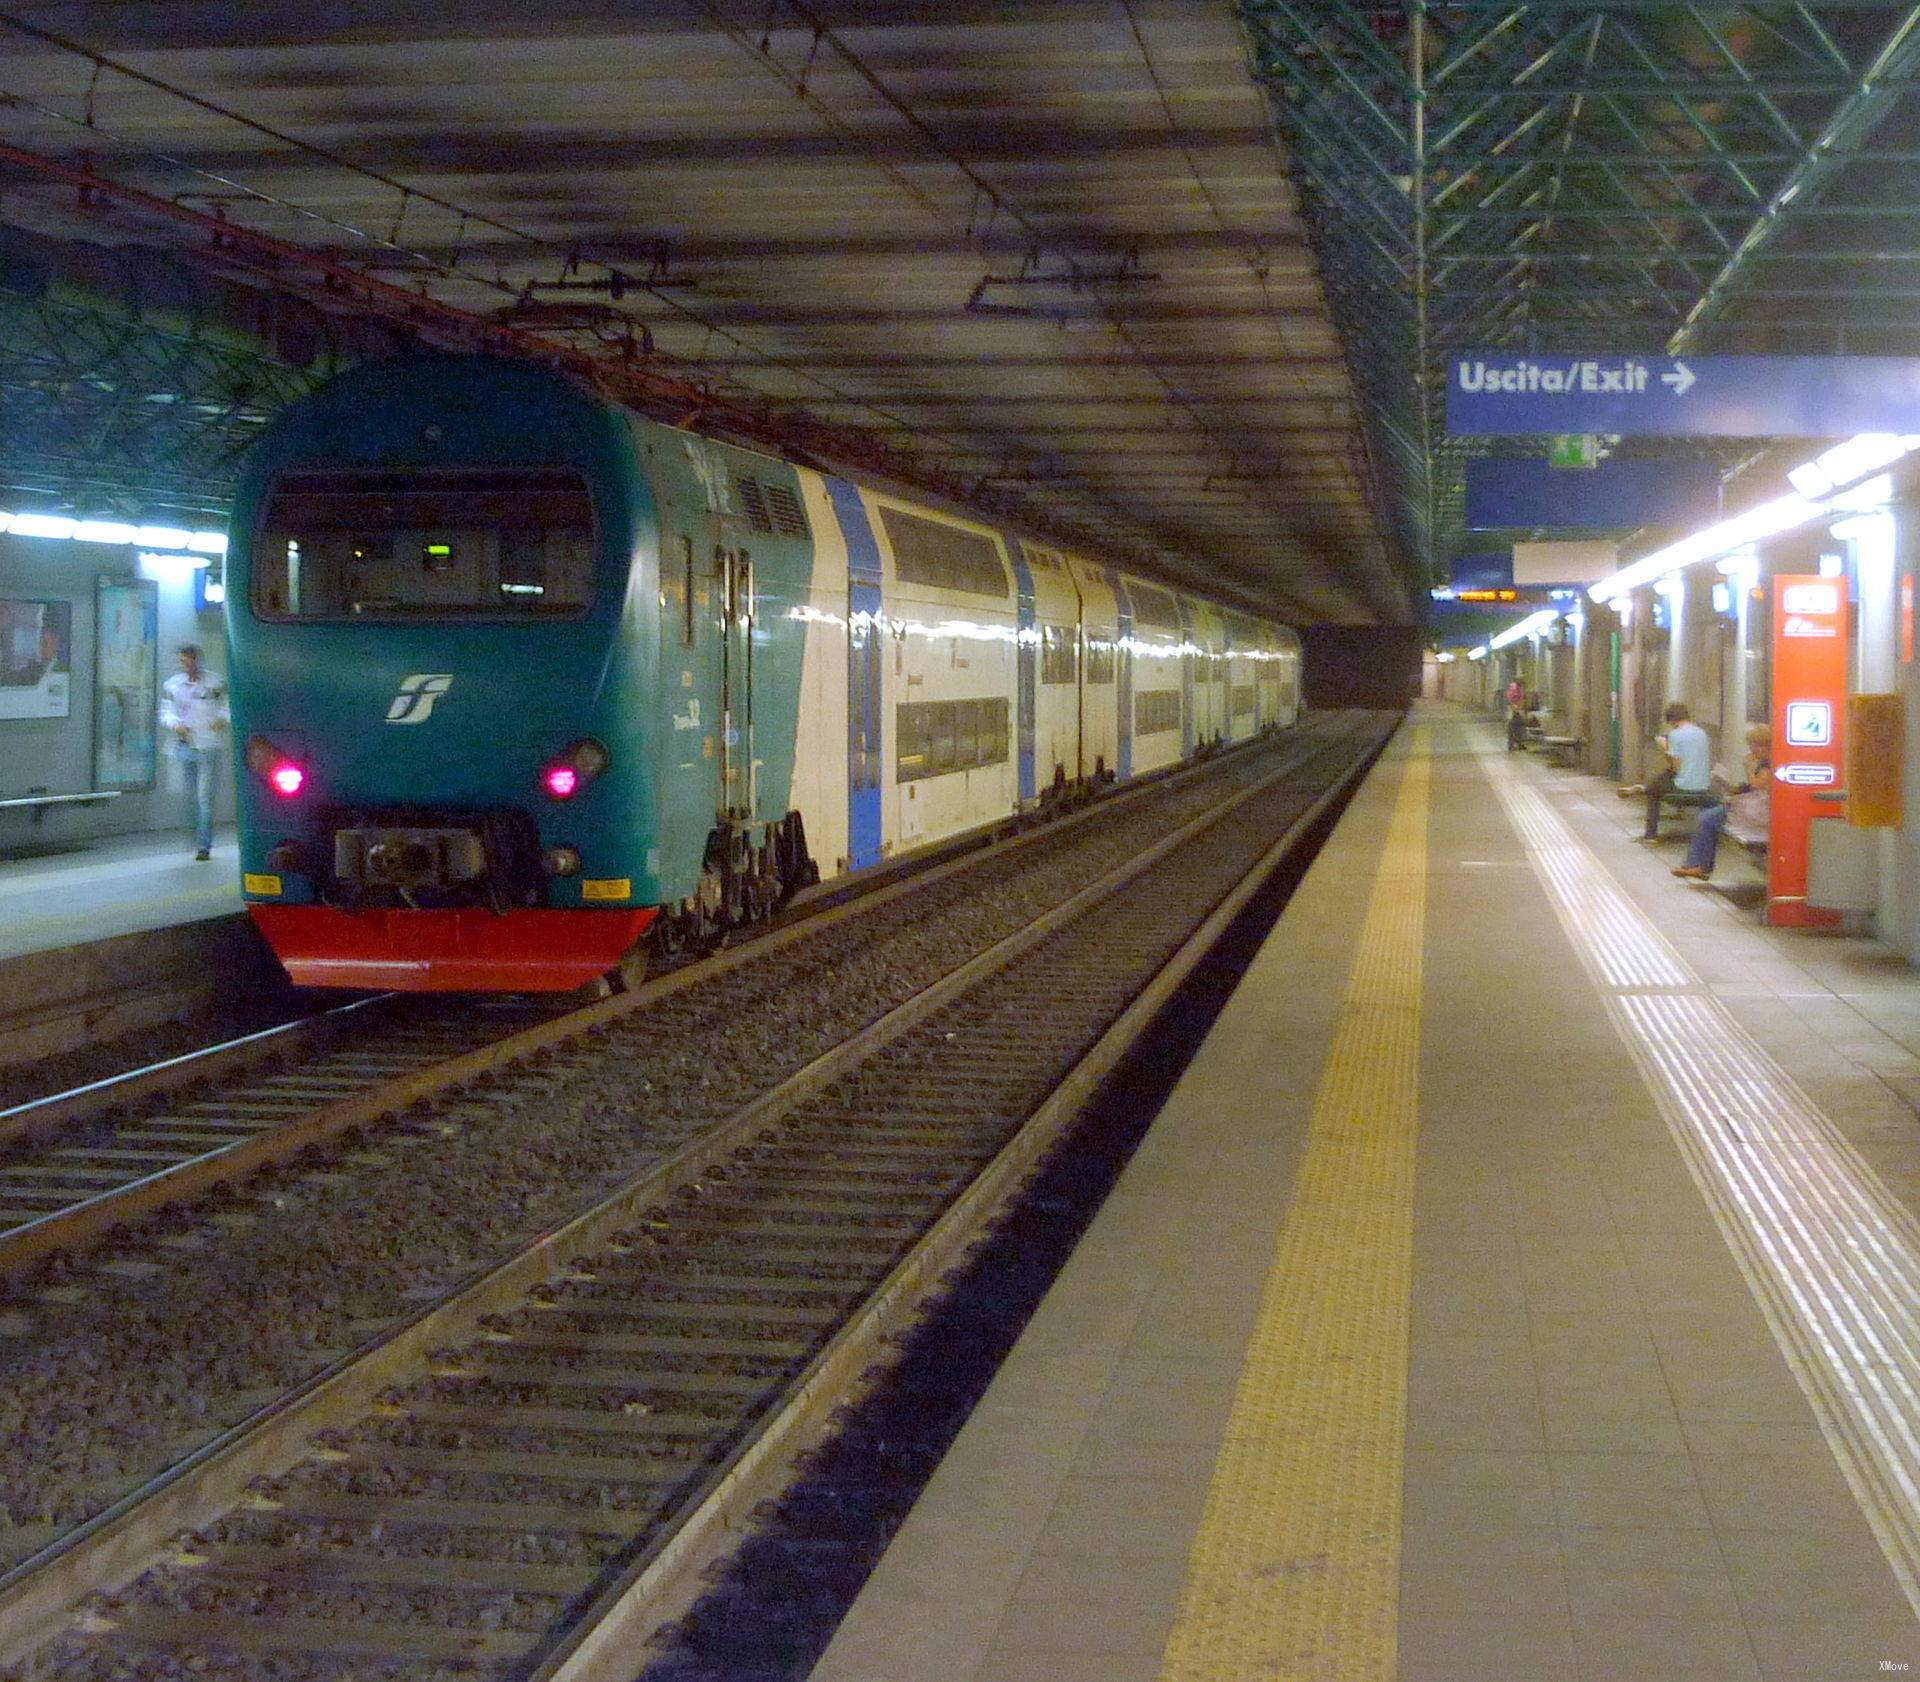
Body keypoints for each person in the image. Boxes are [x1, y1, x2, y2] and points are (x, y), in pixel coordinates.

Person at [1674, 724, 1771, 882]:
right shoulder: (1763, 762)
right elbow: (1750, 788)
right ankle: (1698, 864)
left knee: (1706, 819)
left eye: (1752, 745)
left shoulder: (1769, 764)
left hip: (1758, 812)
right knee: (1707, 816)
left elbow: (1756, 785)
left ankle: (1699, 866)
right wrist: (1730, 786)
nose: (1750, 749)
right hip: (1752, 806)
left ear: (1761, 745)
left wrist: (1747, 766)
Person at [159, 643, 229, 860]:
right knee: (188, 796)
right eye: (183, 660)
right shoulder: (172, 685)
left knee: (204, 797)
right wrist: (174, 725)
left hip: (208, 746)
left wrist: (222, 719)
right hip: (185, 745)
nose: (187, 664)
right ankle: (193, 835)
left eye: (190, 659)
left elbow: (230, 705)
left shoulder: (215, 683)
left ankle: (203, 845)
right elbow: (166, 712)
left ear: (197, 660)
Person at [1642, 701, 1713, 841]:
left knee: (1651, 788)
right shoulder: (1702, 733)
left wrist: (1664, 747)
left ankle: (1650, 834)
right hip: (1704, 784)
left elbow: (1675, 767)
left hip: (1683, 785)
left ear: (1672, 720)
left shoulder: (1675, 734)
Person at [1505, 676, 1527, 751]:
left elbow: (1521, 698)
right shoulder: (1514, 688)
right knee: (1513, 728)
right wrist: (1515, 708)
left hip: (1517, 709)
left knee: (1519, 727)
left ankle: (1518, 743)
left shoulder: (1518, 688)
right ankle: (1512, 744)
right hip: (1514, 710)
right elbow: (1511, 699)